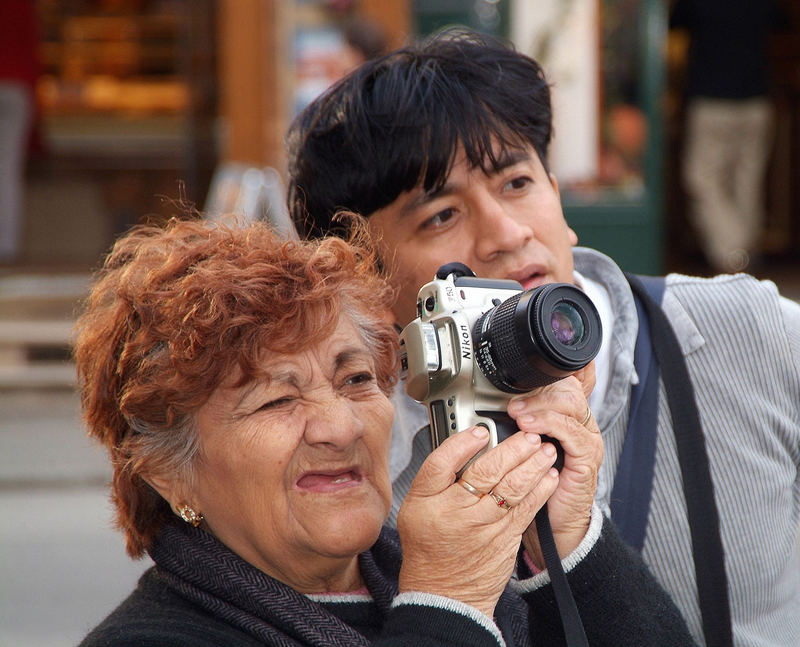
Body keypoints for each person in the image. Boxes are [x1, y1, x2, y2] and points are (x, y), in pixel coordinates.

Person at [285, 29, 800, 647]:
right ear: (367, 277)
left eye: (517, 184)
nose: (504, 232)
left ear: (558, 195)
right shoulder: (356, 456)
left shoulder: (743, 331)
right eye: (441, 215)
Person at [73, 217, 697, 646]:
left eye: (355, 381)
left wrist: (570, 547)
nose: (341, 427)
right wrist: (447, 606)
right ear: (167, 468)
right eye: (276, 400)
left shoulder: (454, 578)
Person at [669, 0, 787, 273]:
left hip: (712, 101)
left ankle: (734, 254)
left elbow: (674, 20)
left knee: (702, 178)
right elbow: (781, 21)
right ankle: (745, 254)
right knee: (746, 180)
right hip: (755, 100)